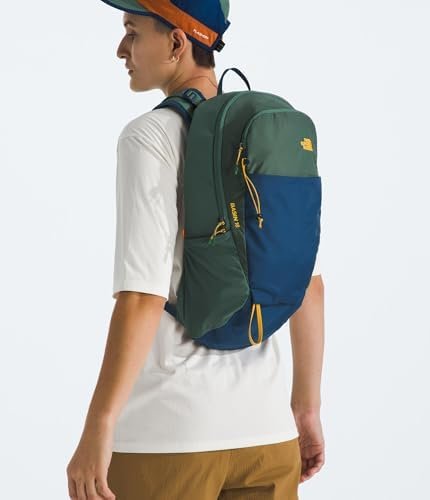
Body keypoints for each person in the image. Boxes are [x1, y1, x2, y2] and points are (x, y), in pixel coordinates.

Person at [66, 1, 325, 499]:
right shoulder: (261, 136)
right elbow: (308, 283)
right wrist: (306, 409)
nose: (121, 49)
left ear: (177, 42)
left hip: (171, 436)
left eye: (132, 31)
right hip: (268, 435)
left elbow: (142, 296)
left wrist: (100, 424)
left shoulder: (149, 137)